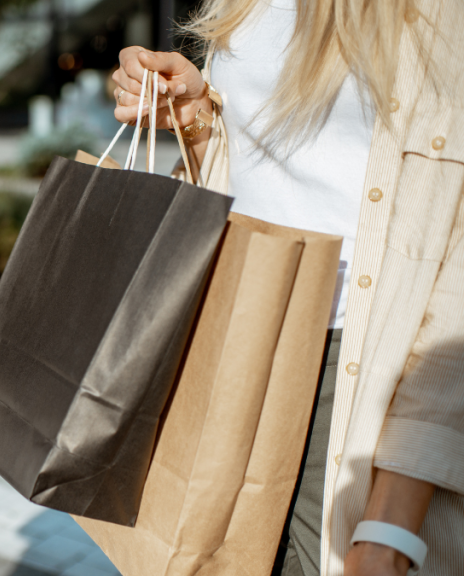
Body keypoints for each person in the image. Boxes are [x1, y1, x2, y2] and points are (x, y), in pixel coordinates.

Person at [113, 0, 463, 575]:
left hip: (353, 378)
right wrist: (196, 115)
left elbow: (457, 275)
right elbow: (256, 177)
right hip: (230, 342)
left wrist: (388, 530)